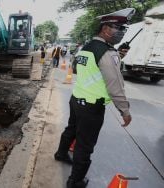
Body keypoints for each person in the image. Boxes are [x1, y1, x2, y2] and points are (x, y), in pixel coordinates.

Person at [53, 8, 135, 188]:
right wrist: (125, 111)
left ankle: (60, 153)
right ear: (105, 29)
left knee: (71, 130)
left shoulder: (86, 48)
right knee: (84, 145)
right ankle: (75, 181)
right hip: (91, 108)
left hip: (76, 100)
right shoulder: (107, 53)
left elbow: (80, 69)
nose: (121, 33)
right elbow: (115, 86)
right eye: (118, 28)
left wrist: (117, 55)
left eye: (123, 29)